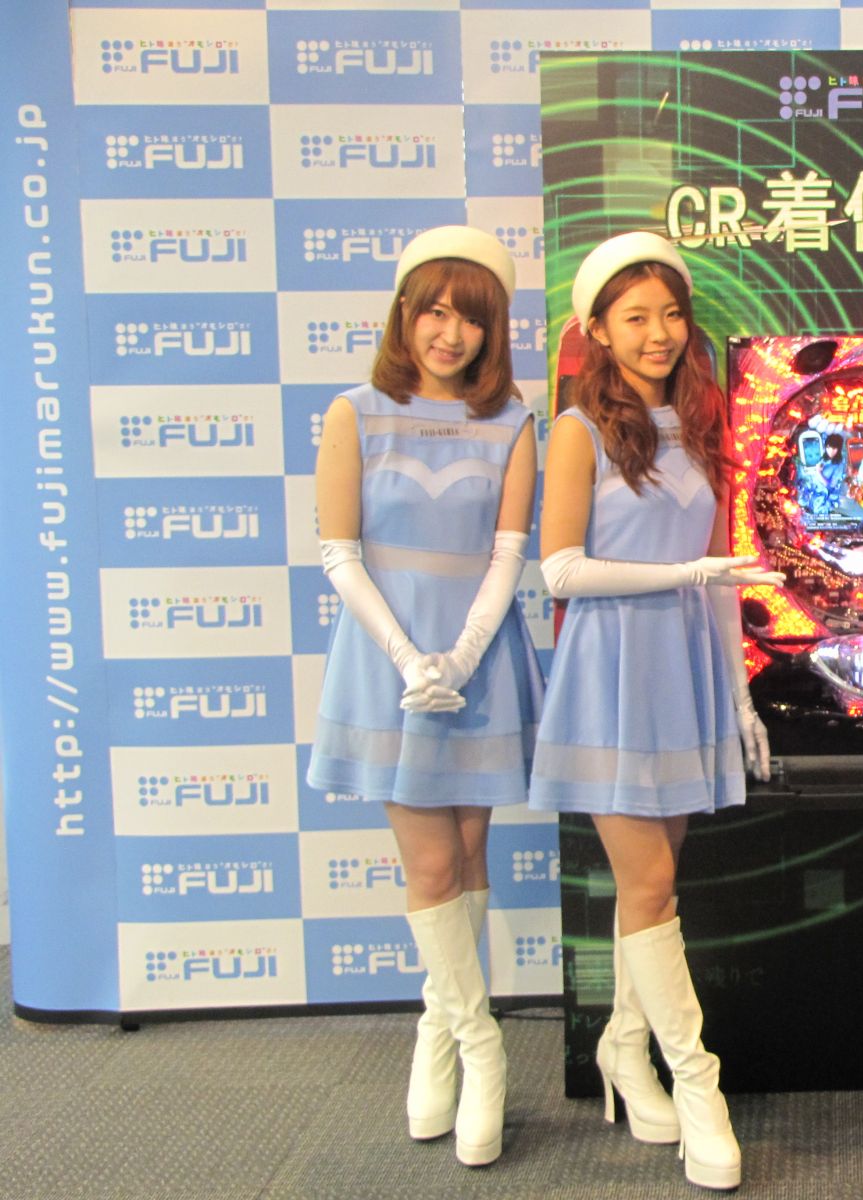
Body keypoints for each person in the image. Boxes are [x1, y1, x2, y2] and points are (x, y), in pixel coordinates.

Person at [528, 231, 782, 1192]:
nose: (659, 333)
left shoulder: (701, 423)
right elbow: (560, 570)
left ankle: (623, 1050)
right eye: (635, 317)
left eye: (672, 314)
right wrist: (682, 573)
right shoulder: (577, 430)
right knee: (653, 885)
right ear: (597, 330)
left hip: (685, 670)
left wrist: (740, 690)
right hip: (612, 670)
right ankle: (698, 1088)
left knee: (652, 887)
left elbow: (719, 577)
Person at [306, 226, 541, 1168]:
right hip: (387, 663)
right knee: (434, 863)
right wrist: (411, 659)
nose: (450, 333)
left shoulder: (513, 421)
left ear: (493, 332)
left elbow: (509, 554)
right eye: (434, 311)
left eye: (470, 319)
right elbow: (339, 553)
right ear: (403, 313)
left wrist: (463, 657)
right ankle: (481, 1046)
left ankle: (437, 1034)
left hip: (477, 660)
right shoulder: (354, 414)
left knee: (471, 849)